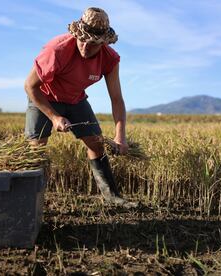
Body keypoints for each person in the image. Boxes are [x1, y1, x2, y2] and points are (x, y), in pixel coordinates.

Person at [24, 7, 137, 208]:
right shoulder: (57, 50)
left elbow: (117, 99)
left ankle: (112, 197)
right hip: (45, 97)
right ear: (76, 33)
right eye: (81, 39)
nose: (85, 47)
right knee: (36, 149)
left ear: (103, 42)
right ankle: (30, 203)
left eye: (92, 43)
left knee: (96, 143)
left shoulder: (110, 59)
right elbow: (30, 86)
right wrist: (53, 117)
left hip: (76, 100)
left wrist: (120, 136)